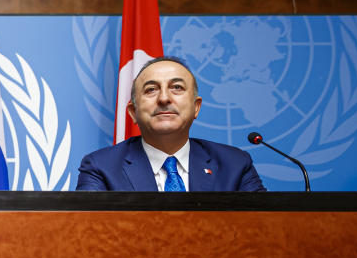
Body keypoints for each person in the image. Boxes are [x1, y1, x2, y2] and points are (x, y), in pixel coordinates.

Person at [76, 56, 266, 192]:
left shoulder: (235, 164)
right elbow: (90, 234)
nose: (164, 98)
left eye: (177, 87)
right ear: (133, 112)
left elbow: (264, 230)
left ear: (196, 107)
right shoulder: (101, 167)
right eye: (151, 89)